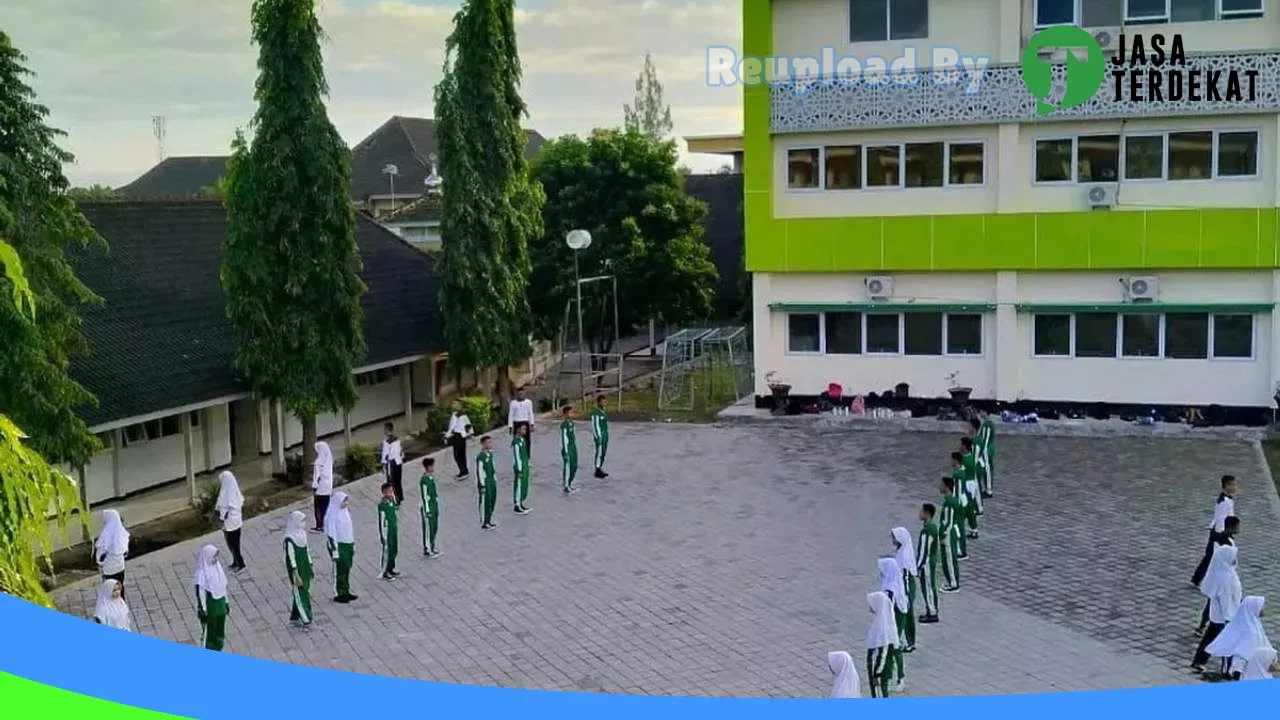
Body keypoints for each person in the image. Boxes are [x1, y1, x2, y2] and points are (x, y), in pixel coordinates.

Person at [1193, 544, 1243, 674]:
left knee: (1209, 639)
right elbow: (1226, 601)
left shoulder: (1223, 571)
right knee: (1227, 643)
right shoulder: (1226, 578)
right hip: (1223, 617)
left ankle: (1198, 661)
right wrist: (1229, 618)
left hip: (1216, 616)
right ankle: (1227, 670)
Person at [1207, 596, 1273, 681]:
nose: (1263, 609)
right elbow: (1242, 653)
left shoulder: (1252, 622)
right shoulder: (1249, 631)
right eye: (1261, 607)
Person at [1191, 475, 1238, 586]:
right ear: (1227, 486)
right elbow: (1220, 518)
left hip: (1220, 532)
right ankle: (1200, 579)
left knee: (1210, 557)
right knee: (1212, 557)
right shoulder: (1224, 501)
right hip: (1219, 533)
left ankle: (1197, 579)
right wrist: (1223, 534)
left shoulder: (1227, 499)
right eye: (1233, 485)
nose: (1236, 487)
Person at [1197, 516, 1240, 634]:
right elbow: (1231, 561)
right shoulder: (1228, 543)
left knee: (1212, 601)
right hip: (1224, 577)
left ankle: (1202, 626)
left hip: (1216, 574)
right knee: (1220, 603)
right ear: (1232, 527)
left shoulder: (1218, 537)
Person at [878, 557, 908, 691]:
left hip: (894, 620)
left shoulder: (891, 588)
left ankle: (899, 678)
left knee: (894, 648)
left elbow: (888, 607)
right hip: (895, 618)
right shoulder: (894, 582)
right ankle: (894, 677)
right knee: (893, 647)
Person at [193, 544, 230, 651]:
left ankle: (219, 645)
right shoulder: (201, 573)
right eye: (214, 556)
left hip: (221, 603)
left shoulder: (217, 568)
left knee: (220, 627)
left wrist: (226, 602)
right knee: (212, 629)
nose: (215, 559)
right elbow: (201, 594)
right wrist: (203, 609)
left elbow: (223, 586)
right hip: (212, 605)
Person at [325, 491, 358, 603]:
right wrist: (334, 550)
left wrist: (353, 544)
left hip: (348, 544)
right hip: (340, 545)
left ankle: (346, 590)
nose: (346, 503)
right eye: (344, 501)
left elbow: (350, 529)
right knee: (341, 569)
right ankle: (340, 592)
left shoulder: (345, 512)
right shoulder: (332, 515)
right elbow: (331, 533)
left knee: (347, 568)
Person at [283, 510, 314, 628]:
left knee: (305, 589)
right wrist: (295, 573)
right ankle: (305, 617)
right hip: (297, 569)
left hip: (305, 565)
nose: (303, 523)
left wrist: (310, 564)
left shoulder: (302, 535)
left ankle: (294, 616)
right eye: (301, 521)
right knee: (300, 591)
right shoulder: (289, 540)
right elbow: (291, 558)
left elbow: (307, 550)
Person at [865, 590, 898, 698]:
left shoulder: (881, 629)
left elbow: (882, 653)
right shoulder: (883, 622)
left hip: (879, 673)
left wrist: (877, 674)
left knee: (879, 695)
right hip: (877, 670)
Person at [891, 526, 918, 650]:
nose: (893, 540)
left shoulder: (904, 556)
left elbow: (905, 575)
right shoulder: (901, 550)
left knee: (905, 613)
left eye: (894, 537)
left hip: (906, 586)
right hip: (903, 585)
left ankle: (908, 641)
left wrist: (905, 594)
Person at [95, 509, 129, 599]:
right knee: (120, 586)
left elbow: (101, 553)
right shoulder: (121, 533)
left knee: (110, 590)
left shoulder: (106, 534)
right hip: (120, 567)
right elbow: (125, 551)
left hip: (109, 569)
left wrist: (99, 564)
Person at [216, 471, 246, 572]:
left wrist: (221, 517)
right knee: (234, 543)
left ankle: (240, 563)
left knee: (233, 544)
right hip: (235, 522)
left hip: (230, 523)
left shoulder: (227, 493)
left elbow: (224, 506)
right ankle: (235, 561)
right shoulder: (233, 491)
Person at [915, 505, 940, 624]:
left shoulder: (927, 530)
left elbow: (924, 551)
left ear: (927, 514)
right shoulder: (931, 527)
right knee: (929, 586)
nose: (919, 513)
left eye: (921, 511)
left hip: (927, 564)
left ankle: (932, 612)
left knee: (928, 587)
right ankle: (931, 609)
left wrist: (918, 567)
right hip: (930, 562)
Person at [939, 477, 963, 593]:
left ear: (947, 487)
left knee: (949, 559)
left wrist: (943, 534)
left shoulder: (949, 503)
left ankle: (953, 583)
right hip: (951, 532)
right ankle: (951, 581)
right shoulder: (951, 500)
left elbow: (948, 521)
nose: (939, 487)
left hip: (948, 534)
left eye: (941, 485)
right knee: (948, 558)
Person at [947, 453, 970, 557]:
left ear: (955, 461)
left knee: (958, 526)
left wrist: (954, 503)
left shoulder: (958, 475)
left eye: (951, 460)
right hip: (962, 501)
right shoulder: (959, 471)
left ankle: (960, 550)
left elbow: (958, 491)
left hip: (959, 503)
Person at [959, 437, 982, 533]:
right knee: (970, 507)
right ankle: (973, 528)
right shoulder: (971, 457)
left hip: (967, 485)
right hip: (972, 484)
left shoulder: (965, 460)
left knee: (967, 508)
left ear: (965, 446)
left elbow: (961, 474)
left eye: (961, 445)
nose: (959, 447)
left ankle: (970, 527)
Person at [378, 482, 400, 580]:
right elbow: (382, 521)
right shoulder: (382, 505)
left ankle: (391, 568)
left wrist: (393, 497)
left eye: (392, 491)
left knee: (394, 549)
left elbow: (397, 507)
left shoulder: (391, 501)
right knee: (387, 551)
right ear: (384, 492)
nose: (391, 493)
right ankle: (385, 571)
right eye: (389, 492)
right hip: (387, 531)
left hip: (393, 529)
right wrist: (383, 535)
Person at [445, 402, 473, 480]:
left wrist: (446, 436)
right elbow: (468, 425)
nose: (452, 406)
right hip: (459, 436)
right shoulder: (458, 414)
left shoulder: (459, 415)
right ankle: (463, 471)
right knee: (460, 455)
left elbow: (452, 427)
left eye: (453, 404)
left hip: (459, 436)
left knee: (458, 455)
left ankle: (464, 471)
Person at [420, 457, 441, 557]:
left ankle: (432, 545)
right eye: (432, 466)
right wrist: (427, 509)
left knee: (434, 526)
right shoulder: (424, 480)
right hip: (428, 506)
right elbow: (424, 495)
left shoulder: (431, 478)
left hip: (434, 505)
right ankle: (427, 549)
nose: (433, 468)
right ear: (427, 467)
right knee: (428, 528)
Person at [477, 435, 498, 530]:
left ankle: (489, 519)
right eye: (488, 442)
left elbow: (493, 467)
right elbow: (480, 471)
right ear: (483, 444)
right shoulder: (480, 457)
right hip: (485, 482)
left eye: (491, 442)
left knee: (492, 500)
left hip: (491, 480)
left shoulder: (490, 454)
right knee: (486, 501)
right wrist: (482, 485)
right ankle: (484, 522)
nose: (490, 444)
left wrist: (495, 478)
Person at [312, 440, 334, 531]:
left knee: (318, 507)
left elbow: (316, 476)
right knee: (326, 507)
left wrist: (314, 486)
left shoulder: (318, 462)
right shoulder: (329, 462)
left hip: (320, 489)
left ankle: (319, 525)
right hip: (328, 488)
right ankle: (325, 524)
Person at [381, 423, 405, 506]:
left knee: (391, 483)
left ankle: (395, 500)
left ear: (387, 430)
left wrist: (383, 465)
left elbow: (385, 454)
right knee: (398, 481)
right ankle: (400, 497)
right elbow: (401, 451)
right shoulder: (397, 439)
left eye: (384, 429)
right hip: (398, 462)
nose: (384, 431)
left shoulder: (386, 442)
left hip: (391, 464)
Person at [508, 386, 535, 451]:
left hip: (525, 422)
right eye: (519, 394)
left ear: (524, 393)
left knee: (527, 440)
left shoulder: (528, 402)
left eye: (522, 393)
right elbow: (511, 415)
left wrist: (532, 424)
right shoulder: (513, 403)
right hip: (516, 423)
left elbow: (530, 413)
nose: (521, 395)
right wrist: (510, 426)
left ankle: (527, 457)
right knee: (517, 440)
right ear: (517, 394)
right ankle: (518, 455)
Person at [512, 423, 531, 515]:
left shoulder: (522, 440)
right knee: (518, 485)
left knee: (523, 484)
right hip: (520, 466)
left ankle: (521, 503)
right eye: (523, 429)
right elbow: (517, 456)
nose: (525, 431)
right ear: (518, 429)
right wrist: (519, 469)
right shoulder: (516, 441)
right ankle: (517, 505)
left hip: (524, 464)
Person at [559, 405, 579, 494]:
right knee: (568, 467)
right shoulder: (564, 425)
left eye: (572, 412)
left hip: (573, 447)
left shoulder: (572, 424)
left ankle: (570, 483)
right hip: (567, 448)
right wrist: (566, 452)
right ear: (565, 414)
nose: (572, 414)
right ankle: (566, 486)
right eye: (570, 413)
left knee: (574, 466)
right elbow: (564, 439)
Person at [590, 395, 610, 479]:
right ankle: (597, 469)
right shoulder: (596, 413)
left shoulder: (603, 412)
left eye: (604, 401)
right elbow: (595, 425)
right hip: (600, 436)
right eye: (602, 401)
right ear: (598, 402)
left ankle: (600, 468)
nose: (603, 403)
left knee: (603, 453)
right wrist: (598, 436)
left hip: (605, 435)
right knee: (599, 452)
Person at [978, 409, 996, 498]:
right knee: (987, 469)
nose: (980, 413)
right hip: (988, 449)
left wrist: (981, 451)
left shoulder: (987, 425)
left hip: (986, 450)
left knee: (987, 470)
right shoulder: (988, 423)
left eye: (981, 411)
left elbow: (985, 439)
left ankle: (989, 490)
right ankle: (987, 489)